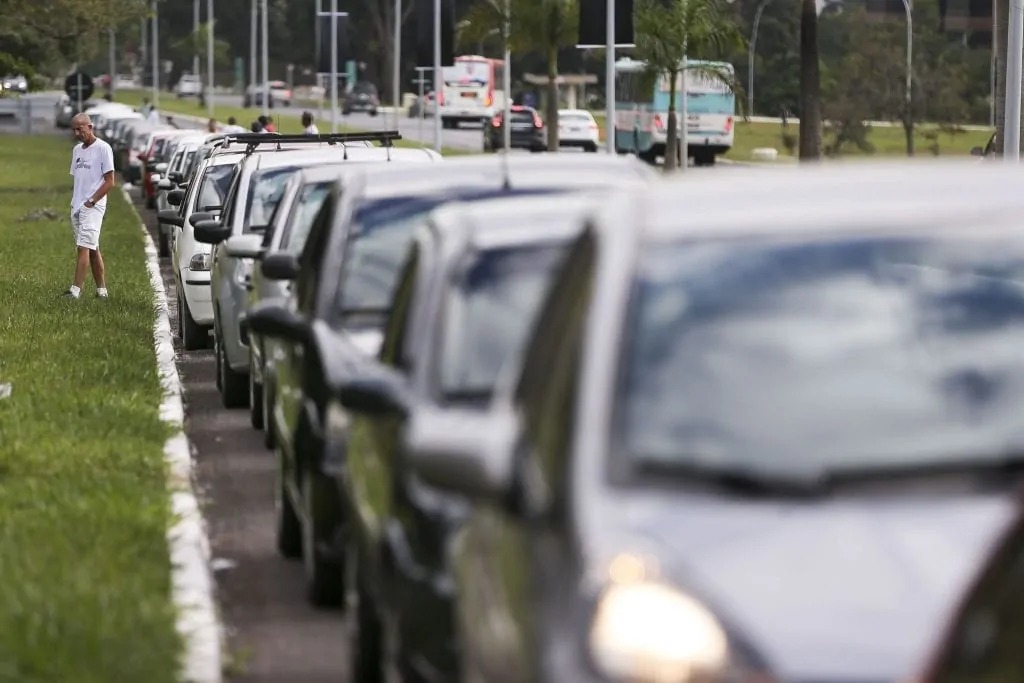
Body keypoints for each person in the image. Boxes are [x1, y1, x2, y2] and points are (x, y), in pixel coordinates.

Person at [63, 113, 115, 300]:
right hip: (76, 205)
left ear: (90, 127)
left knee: (83, 247)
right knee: (92, 248)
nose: (77, 132)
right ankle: (102, 291)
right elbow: (78, 180)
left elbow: (110, 181)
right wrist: (76, 202)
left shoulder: (103, 148)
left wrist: (91, 201)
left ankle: (75, 291)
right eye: (74, 130)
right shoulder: (77, 150)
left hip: (92, 206)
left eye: (81, 128)